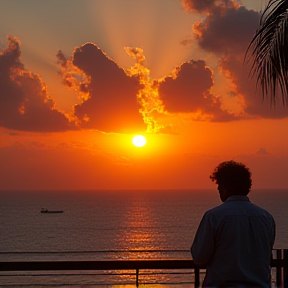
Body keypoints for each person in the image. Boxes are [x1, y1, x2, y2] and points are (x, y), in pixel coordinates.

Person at [191, 160, 275, 288]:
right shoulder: (266, 217)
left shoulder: (214, 216)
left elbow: (199, 257)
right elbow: (267, 256)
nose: (218, 188)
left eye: (219, 184)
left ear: (225, 186)